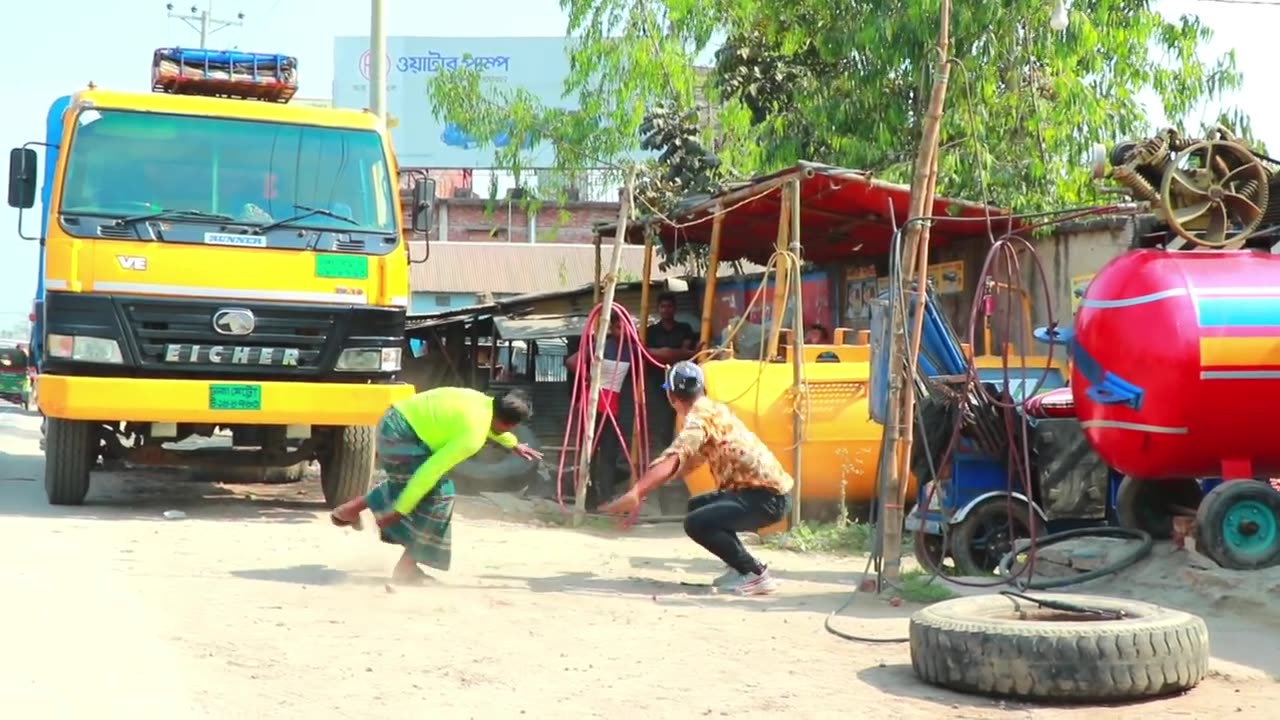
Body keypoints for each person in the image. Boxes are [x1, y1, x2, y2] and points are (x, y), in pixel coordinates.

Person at [601, 361, 794, 595]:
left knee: (697, 523)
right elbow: (689, 461)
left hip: (765, 499)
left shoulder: (698, 419)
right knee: (698, 506)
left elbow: (674, 458)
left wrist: (636, 492)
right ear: (702, 389)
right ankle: (738, 566)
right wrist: (653, 484)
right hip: (769, 495)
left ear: (671, 396)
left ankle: (754, 573)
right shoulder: (714, 409)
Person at [330, 386, 542, 584]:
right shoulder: (473, 435)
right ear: (512, 424)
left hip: (394, 420)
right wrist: (400, 510)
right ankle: (406, 568)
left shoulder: (479, 401)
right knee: (440, 496)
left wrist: (513, 444)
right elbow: (430, 471)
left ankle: (349, 510)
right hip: (400, 437)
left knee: (407, 482)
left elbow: (490, 426)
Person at [564, 312, 634, 507]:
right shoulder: (601, 345)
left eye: (626, 327)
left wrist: (687, 354)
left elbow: (657, 354)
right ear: (611, 328)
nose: (624, 331)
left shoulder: (633, 349)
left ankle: (605, 497)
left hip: (612, 407)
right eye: (619, 327)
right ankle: (588, 498)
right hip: (591, 404)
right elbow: (572, 361)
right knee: (589, 452)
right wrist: (587, 377)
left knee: (610, 454)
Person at [643, 292, 697, 452]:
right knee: (664, 416)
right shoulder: (651, 331)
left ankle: (684, 450)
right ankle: (668, 450)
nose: (666, 309)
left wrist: (664, 353)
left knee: (684, 414)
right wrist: (676, 353)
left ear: (675, 309)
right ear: (658, 309)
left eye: (669, 306)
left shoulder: (685, 328)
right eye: (663, 306)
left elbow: (688, 354)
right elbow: (648, 354)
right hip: (659, 380)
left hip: (682, 379)